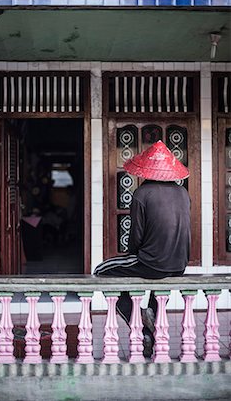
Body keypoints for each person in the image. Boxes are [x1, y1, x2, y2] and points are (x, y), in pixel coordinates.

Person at [94, 140, 191, 357]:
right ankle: (151, 327)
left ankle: (142, 325)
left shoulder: (142, 194)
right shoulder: (183, 193)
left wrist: (133, 259)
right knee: (156, 288)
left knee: (101, 270)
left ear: (144, 170)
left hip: (151, 263)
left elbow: (135, 238)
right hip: (179, 264)